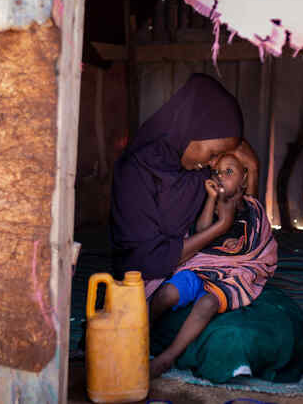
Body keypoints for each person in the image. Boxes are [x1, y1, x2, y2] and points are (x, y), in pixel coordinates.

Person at [110, 74, 258, 281]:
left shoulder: (199, 170)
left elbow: (249, 224)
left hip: (195, 271)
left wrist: (252, 168)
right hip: (142, 282)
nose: (215, 164)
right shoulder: (135, 172)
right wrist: (220, 226)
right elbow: (142, 261)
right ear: (190, 130)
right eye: (214, 154)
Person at [147, 153, 278, 378]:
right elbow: (201, 231)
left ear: (244, 180)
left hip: (233, 271)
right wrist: (210, 199)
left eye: (229, 172)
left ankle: (168, 356)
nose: (221, 177)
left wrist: (239, 244)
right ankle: (139, 334)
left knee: (208, 303)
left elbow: (258, 241)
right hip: (202, 266)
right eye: (217, 173)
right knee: (166, 293)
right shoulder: (210, 204)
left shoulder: (252, 209)